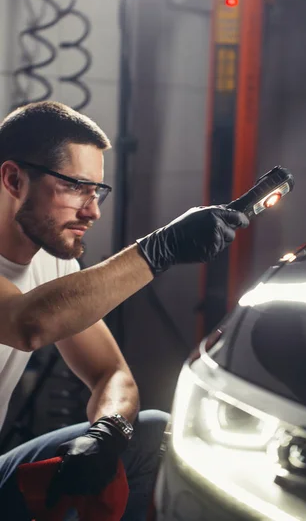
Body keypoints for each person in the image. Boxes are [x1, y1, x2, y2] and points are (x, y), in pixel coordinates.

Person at [0, 101, 249, 520]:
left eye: (96, 191)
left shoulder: (53, 261)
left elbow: (111, 374)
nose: (92, 211)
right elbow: (26, 323)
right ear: (13, 179)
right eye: (76, 187)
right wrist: (160, 248)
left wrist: (108, 431)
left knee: (151, 436)